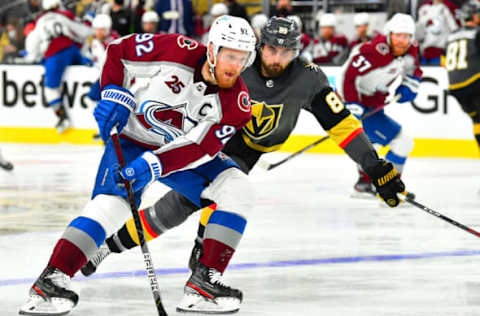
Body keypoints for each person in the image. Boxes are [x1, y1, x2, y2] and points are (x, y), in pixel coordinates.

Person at [80, 16, 407, 313]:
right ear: (259, 47)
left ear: (297, 52)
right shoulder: (236, 64)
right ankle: (116, 249)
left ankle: (195, 256)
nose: (277, 59)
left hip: (256, 148)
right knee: (179, 205)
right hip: (218, 140)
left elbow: (343, 125)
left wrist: (375, 167)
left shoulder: (309, 78)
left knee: (199, 203)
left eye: (286, 52)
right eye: (272, 50)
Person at [18, 15, 257, 315]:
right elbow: (119, 50)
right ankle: (50, 281)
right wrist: (114, 94)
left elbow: (201, 147)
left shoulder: (237, 103)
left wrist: (154, 164)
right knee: (111, 207)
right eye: (230, 56)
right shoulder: (178, 49)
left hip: (179, 154)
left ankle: (204, 284)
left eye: (243, 58)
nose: (235, 65)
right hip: (131, 140)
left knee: (237, 187)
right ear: (212, 50)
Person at [337, 13, 422, 196]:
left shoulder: (412, 49)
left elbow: (414, 70)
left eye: (406, 36)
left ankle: (365, 184)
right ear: (389, 34)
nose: (402, 41)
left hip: (374, 104)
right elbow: (347, 76)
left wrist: (409, 85)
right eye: (398, 35)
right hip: (356, 101)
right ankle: (387, 186)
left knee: (371, 145)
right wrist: (351, 105)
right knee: (402, 142)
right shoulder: (373, 51)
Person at [23, 0, 93, 133]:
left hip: (55, 54)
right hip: (72, 50)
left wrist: (32, 56)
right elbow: (83, 31)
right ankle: (86, 61)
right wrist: (89, 20)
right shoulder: (66, 15)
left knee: (51, 89)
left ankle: (62, 117)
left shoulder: (41, 20)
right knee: (84, 69)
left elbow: (32, 43)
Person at [446, 2, 480, 150]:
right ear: (473, 16)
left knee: (477, 120)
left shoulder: (451, 36)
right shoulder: (477, 33)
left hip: (456, 89)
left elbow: (443, 61)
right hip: (474, 83)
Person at [85, 14, 119, 107]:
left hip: (114, 75)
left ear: (108, 29)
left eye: (102, 30)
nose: (99, 33)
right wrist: (89, 61)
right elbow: (92, 55)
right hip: (104, 74)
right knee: (94, 98)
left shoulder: (113, 41)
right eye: (97, 30)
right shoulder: (95, 41)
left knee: (98, 97)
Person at [416, 0, 460, 64]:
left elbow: (454, 29)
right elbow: (419, 30)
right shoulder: (423, 8)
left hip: (441, 50)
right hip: (425, 51)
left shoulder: (447, 7)